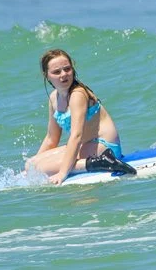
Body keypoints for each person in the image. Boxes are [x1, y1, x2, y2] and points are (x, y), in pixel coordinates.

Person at [26, 49, 136, 185]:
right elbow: (51, 138)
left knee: (43, 168)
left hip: (104, 147)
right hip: (86, 146)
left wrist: (63, 173)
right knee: (31, 164)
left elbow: (76, 136)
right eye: (56, 72)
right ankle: (90, 162)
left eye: (67, 69)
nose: (63, 75)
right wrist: (29, 171)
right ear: (46, 75)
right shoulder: (54, 98)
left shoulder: (77, 95)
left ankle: (100, 163)